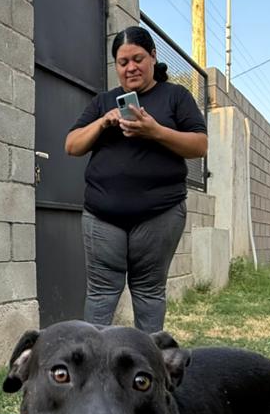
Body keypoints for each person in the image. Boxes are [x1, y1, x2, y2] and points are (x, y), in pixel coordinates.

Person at [64, 26, 208, 333]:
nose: (131, 67)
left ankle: (147, 372)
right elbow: (72, 145)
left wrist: (154, 131)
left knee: (149, 293)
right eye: (123, 61)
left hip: (160, 215)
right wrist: (103, 122)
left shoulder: (176, 97)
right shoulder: (104, 102)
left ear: (153, 57)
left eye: (138, 58)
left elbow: (199, 145)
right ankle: (91, 371)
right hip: (102, 217)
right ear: (115, 65)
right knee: (101, 294)